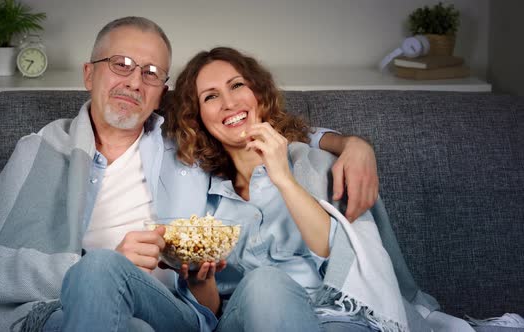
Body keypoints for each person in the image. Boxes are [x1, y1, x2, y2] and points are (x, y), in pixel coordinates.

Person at [0, 17, 381, 332]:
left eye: (150, 73)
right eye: (120, 64)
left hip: (179, 308)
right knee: (102, 270)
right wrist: (93, 264)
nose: (134, 81)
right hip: (93, 293)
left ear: (161, 93)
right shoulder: (41, 151)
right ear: (89, 74)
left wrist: (352, 144)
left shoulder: (181, 144)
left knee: (261, 285)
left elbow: (261, 126)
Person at [168, 47, 479, 332]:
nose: (229, 102)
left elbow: (335, 252)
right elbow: (212, 310)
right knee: (265, 283)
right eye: (210, 97)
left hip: (335, 316)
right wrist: (199, 281)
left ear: (258, 95)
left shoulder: (313, 164)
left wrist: (283, 179)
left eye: (237, 85)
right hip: (250, 318)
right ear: (198, 119)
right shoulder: (209, 202)